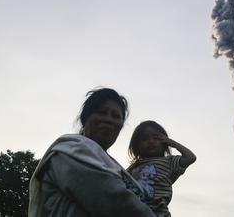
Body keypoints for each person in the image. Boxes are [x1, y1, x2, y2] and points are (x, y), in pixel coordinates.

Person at [29, 88, 155, 217]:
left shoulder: (115, 167)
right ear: (85, 118)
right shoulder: (68, 152)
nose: (109, 119)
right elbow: (114, 201)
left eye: (116, 116)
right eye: (102, 112)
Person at [127, 120, 197, 217]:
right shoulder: (133, 167)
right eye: (144, 139)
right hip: (133, 210)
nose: (151, 141)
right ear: (136, 146)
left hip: (158, 212)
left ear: (164, 142)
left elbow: (191, 158)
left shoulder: (169, 161)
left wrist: (172, 143)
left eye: (156, 138)